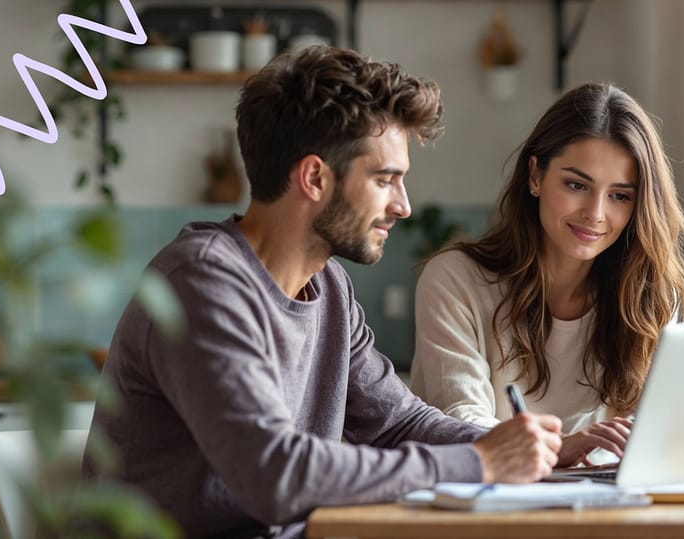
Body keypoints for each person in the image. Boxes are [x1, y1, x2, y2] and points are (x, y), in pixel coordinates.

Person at [82, 46, 563, 539]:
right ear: (314, 177)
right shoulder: (203, 282)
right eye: (384, 180)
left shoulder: (328, 285)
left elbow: (396, 422)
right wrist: (478, 462)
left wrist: (523, 446)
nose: (403, 206)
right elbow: (275, 476)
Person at [410, 82, 684, 467]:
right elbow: (458, 421)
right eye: (577, 185)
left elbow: (658, 433)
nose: (595, 213)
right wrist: (558, 448)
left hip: (608, 514)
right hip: (487, 514)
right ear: (535, 176)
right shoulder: (455, 280)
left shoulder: (653, 299)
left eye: (619, 195)